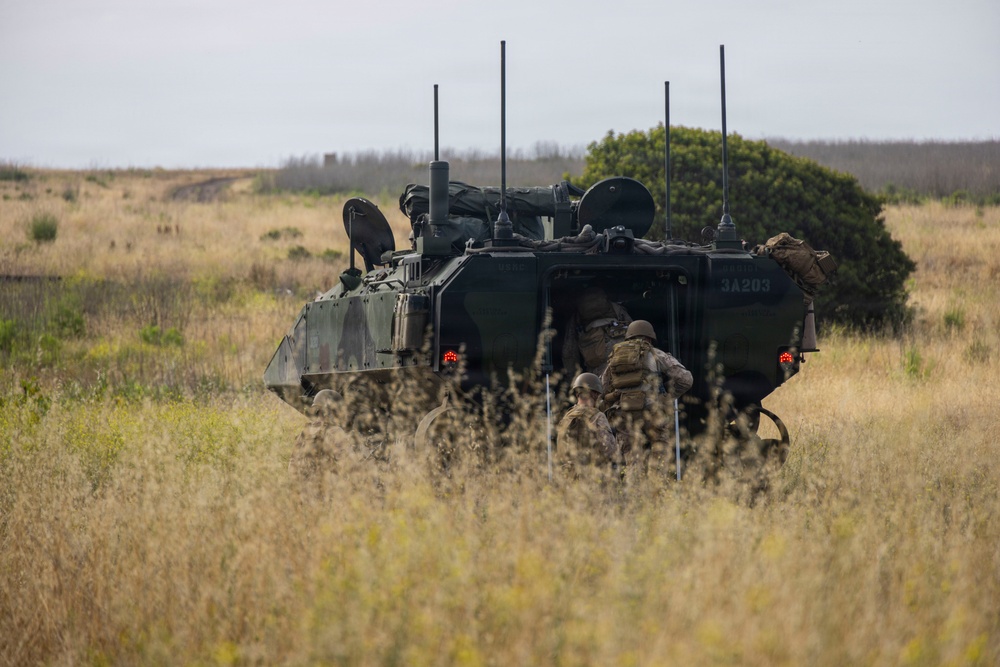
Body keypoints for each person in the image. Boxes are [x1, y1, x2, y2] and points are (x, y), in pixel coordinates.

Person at [600, 320, 693, 480]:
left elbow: (603, 385)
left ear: (628, 337)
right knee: (660, 456)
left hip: (624, 414)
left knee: (632, 462)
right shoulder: (656, 354)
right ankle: (656, 494)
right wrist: (666, 398)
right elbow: (685, 379)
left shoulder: (614, 358)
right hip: (653, 411)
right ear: (649, 338)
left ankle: (633, 498)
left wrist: (617, 397)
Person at [556, 372, 620, 479]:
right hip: (591, 477)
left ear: (578, 394)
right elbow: (610, 450)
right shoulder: (597, 416)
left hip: (568, 477)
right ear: (594, 394)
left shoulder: (567, 416)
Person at [561, 286, 633, 377]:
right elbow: (634, 331)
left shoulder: (576, 318)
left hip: (597, 363)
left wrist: (572, 378)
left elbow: (569, 351)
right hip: (622, 358)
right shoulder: (616, 308)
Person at [288, 389, 349, 494]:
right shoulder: (335, 431)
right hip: (325, 493)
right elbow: (348, 464)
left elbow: (292, 464)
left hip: (304, 491)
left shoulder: (305, 431)